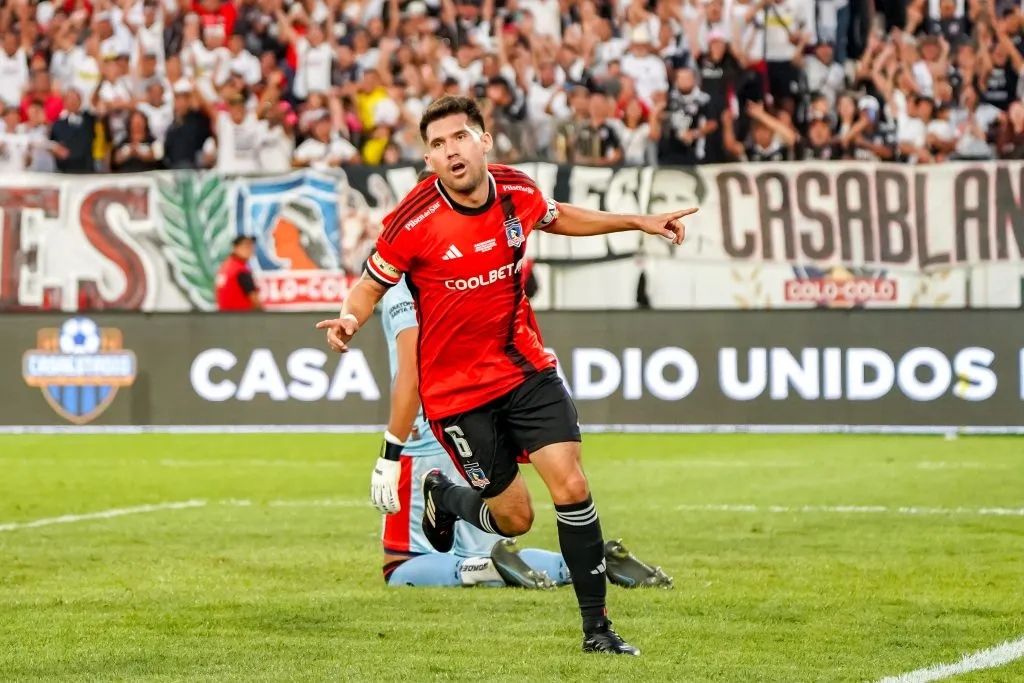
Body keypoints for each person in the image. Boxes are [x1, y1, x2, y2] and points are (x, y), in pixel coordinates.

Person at [316, 95, 695, 656]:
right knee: (514, 519)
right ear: (428, 159)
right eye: (438, 145)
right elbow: (371, 285)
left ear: (483, 140)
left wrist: (638, 221)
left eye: (460, 137)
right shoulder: (412, 221)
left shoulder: (515, 190)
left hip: (524, 369)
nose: (451, 151)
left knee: (572, 484)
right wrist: (349, 318)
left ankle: (598, 630)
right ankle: (444, 498)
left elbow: (558, 215)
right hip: (457, 394)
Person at [379, 270, 674, 591]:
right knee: (483, 548)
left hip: (429, 436)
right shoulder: (472, 274)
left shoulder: (404, 286)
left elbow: (412, 370)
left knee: (400, 565)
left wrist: (391, 451)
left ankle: (485, 570)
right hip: (478, 429)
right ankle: (592, 561)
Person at [215, 236, 261, 311]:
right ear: (235, 248)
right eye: (246, 246)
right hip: (241, 317)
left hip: (224, 317)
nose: (250, 249)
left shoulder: (225, 266)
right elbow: (254, 299)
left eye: (251, 246)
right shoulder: (240, 270)